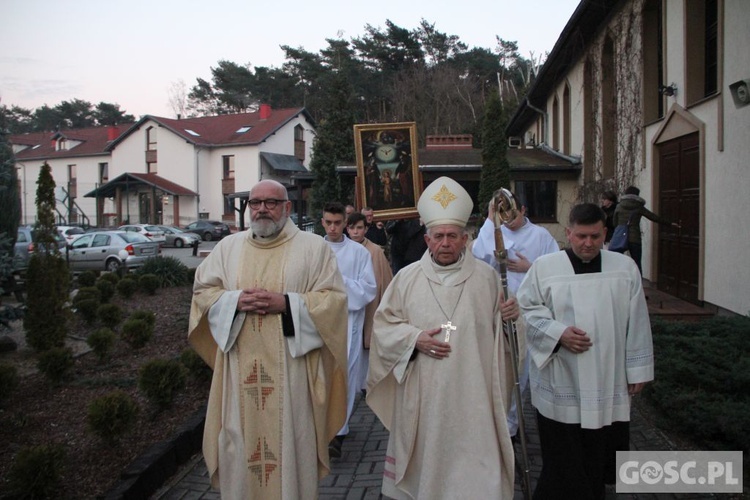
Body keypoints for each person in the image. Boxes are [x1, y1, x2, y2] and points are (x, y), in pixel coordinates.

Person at [188, 179, 349, 498]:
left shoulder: (313, 248)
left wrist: (287, 304)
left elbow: (334, 300)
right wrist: (233, 302)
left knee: (291, 445)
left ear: (287, 208)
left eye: (271, 203)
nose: (262, 209)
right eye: (255, 202)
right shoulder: (227, 248)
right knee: (239, 447)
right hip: (239, 374)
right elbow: (203, 294)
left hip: (292, 377)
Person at [367, 176, 519, 499]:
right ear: (427, 239)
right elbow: (384, 327)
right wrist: (413, 339)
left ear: (466, 239)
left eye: (453, 236)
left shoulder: (488, 279)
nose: (445, 243)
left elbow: (507, 341)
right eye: (439, 236)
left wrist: (511, 320)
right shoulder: (406, 279)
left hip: (474, 394)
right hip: (425, 396)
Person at [517, 203, 654, 500]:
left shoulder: (624, 268)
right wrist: (559, 334)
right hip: (561, 380)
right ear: (568, 233)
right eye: (581, 236)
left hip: (609, 379)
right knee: (562, 459)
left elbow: (638, 321)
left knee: (598, 455)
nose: (588, 243)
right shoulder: (545, 268)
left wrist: (638, 368)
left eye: (594, 236)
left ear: (605, 233)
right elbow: (525, 311)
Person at [471, 191, 559, 439]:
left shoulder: (541, 236)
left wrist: (529, 267)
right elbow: (478, 254)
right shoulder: (495, 232)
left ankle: (512, 424)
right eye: (502, 214)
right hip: (498, 311)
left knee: (522, 371)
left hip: (529, 311)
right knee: (500, 368)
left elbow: (554, 271)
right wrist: (490, 220)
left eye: (512, 213)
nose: (507, 219)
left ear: (524, 210)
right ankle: (498, 421)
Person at [321, 202, 377, 457]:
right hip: (319, 322)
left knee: (346, 376)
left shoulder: (358, 253)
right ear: (322, 222)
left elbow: (368, 288)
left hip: (348, 322)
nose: (333, 228)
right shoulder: (314, 250)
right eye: (328, 222)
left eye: (337, 222)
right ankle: (321, 427)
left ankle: (338, 433)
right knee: (320, 376)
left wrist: (338, 283)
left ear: (344, 222)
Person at [345, 212, 393, 393]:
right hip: (347, 304)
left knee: (366, 343)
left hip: (369, 303)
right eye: (352, 228)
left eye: (359, 228)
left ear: (366, 229)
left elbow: (385, 280)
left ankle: (365, 383)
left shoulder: (375, 251)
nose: (356, 232)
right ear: (347, 228)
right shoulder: (341, 249)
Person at [613, 185, 679, 273]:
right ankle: (638, 283)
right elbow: (653, 217)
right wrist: (669, 223)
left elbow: (615, 222)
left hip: (620, 237)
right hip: (634, 238)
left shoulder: (619, 206)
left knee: (617, 261)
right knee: (636, 263)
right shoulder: (639, 207)